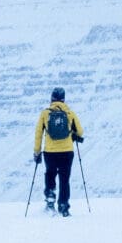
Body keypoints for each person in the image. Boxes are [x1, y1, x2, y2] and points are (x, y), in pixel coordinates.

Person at [32, 86, 85, 216]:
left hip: (50, 152)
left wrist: (37, 152)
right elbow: (80, 132)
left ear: (52, 98)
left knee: (50, 174)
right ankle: (63, 206)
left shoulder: (45, 114)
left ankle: (50, 202)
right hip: (67, 152)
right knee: (64, 179)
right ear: (63, 99)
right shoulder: (70, 113)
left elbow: (38, 134)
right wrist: (73, 134)